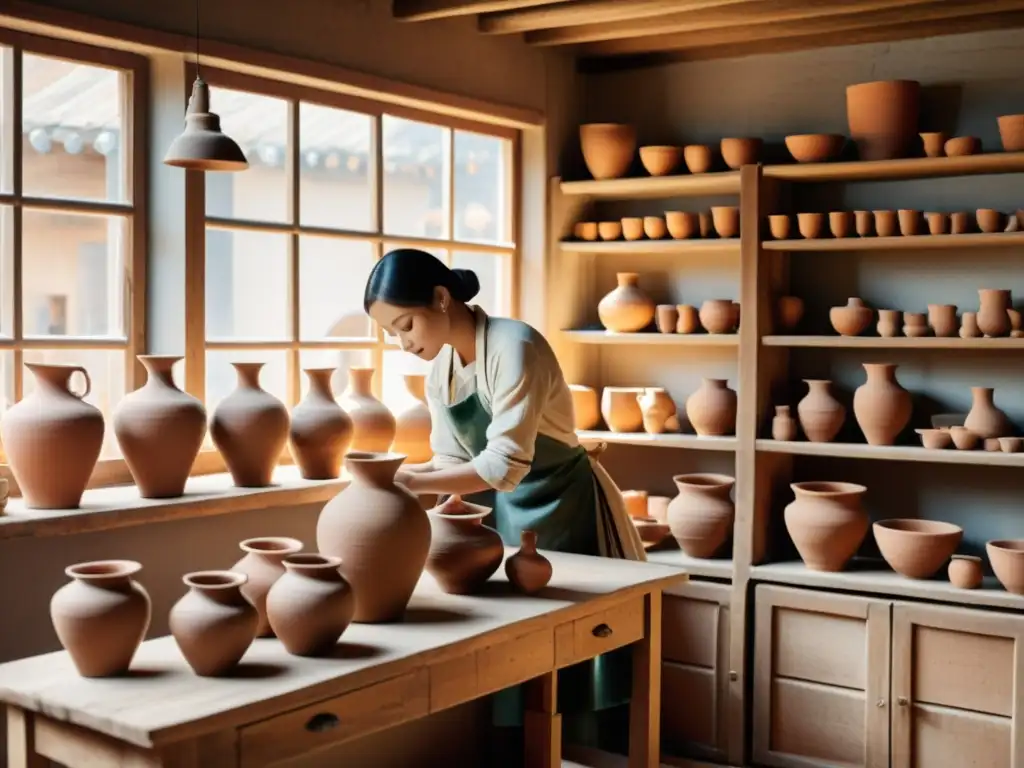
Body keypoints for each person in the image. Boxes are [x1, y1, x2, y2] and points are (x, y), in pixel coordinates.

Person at [364, 248, 646, 759]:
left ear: (441, 298)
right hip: (504, 511)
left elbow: (501, 467)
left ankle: (594, 758)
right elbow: (452, 458)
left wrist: (409, 485)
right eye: (392, 335)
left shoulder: (516, 347)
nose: (403, 344)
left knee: (581, 647)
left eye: (405, 326)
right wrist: (396, 480)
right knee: (520, 650)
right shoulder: (439, 372)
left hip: (564, 504)